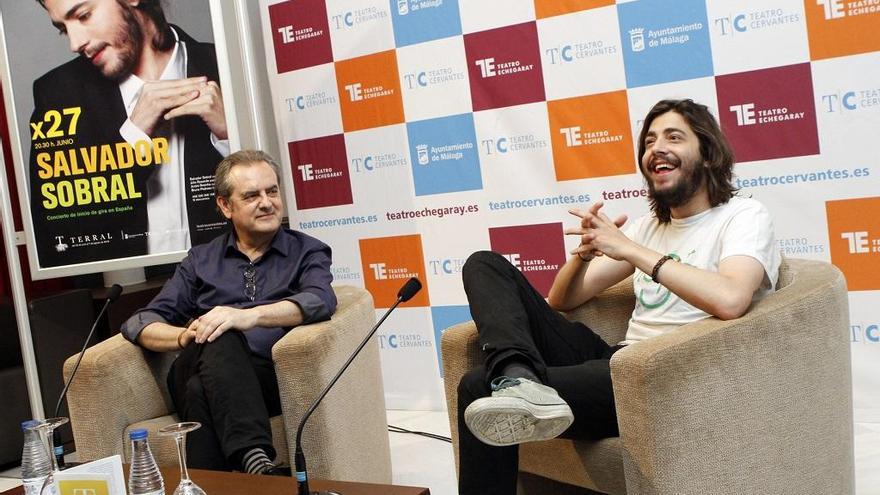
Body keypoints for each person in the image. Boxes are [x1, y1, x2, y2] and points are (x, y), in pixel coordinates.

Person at [456, 99, 781, 494]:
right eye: (648, 141)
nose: (656, 148)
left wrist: (629, 249)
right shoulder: (648, 228)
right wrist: (583, 255)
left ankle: (517, 383)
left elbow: (731, 299)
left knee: (477, 386)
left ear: (708, 154)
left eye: (673, 137)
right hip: (617, 360)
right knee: (484, 263)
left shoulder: (742, 216)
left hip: (665, 378)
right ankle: (518, 378)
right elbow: (563, 299)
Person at [120, 150, 337, 474]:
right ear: (225, 205)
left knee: (200, 388)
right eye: (252, 195)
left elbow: (320, 299)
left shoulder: (306, 251)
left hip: (266, 378)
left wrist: (251, 316)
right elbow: (140, 322)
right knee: (219, 331)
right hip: (196, 357)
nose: (267, 202)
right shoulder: (201, 260)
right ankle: (256, 459)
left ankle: (209, 483)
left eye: (272, 191)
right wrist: (185, 335)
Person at [30, 0, 229, 267]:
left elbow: (281, 206)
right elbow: (56, 240)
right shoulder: (57, 95)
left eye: (84, 15)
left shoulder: (228, 67)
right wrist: (132, 136)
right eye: (63, 29)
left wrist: (231, 137)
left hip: (232, 292)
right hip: (127, 299)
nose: (74, 44)